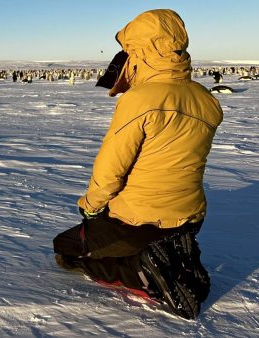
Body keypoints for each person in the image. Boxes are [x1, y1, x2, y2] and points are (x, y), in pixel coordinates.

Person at [53, 9, 223, 320]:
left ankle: (140, 269)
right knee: (133, 236)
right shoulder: (207, 99)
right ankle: (174, 252)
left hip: (139, 218)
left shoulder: (140, 99)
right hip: (190, 216)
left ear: (140, 51)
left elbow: (110, 168)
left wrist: (91, 206)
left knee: (67, 248)